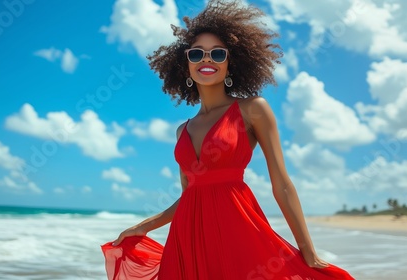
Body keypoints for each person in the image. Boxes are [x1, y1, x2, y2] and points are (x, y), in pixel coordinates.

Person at [101, 1, 354, 279]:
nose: (206, 59)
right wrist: (146, 225)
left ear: (230, 63)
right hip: (187, 238)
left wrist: (308, 251)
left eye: (217, 54)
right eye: (197, 54)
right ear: (186, 65)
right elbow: (190, 195)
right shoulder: (182, 131)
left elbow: (281, 184)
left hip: (238, 234)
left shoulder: (252, 110)